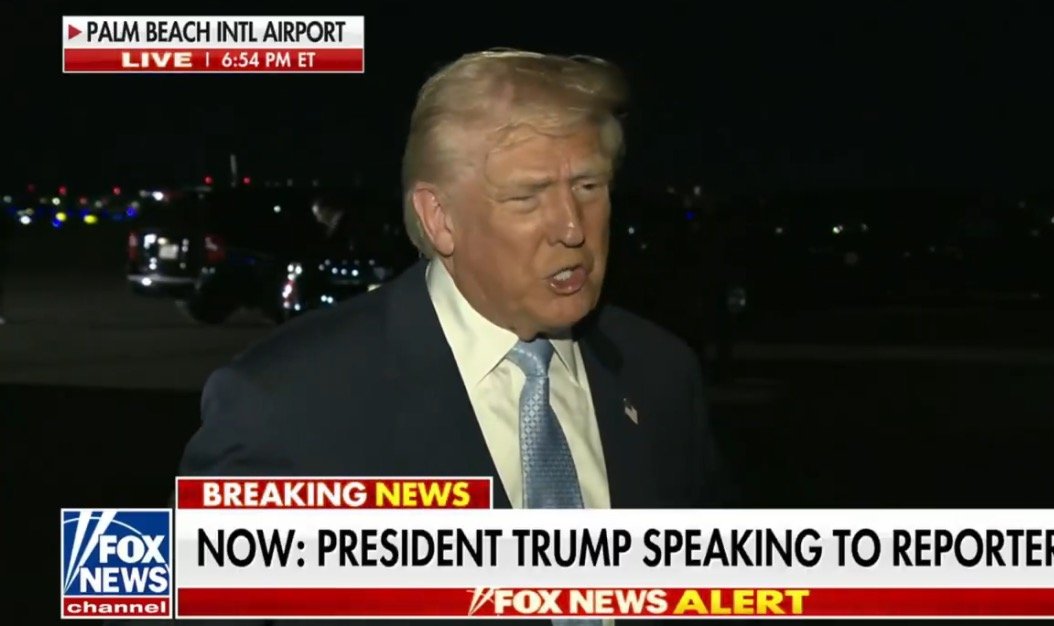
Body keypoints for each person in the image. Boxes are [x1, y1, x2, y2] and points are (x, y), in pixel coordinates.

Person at [181, 49, 731, 522]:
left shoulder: (661, 376)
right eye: (527, 196)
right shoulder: (285, 407)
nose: (572, 228)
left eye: (588, 186)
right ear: (440, 218)